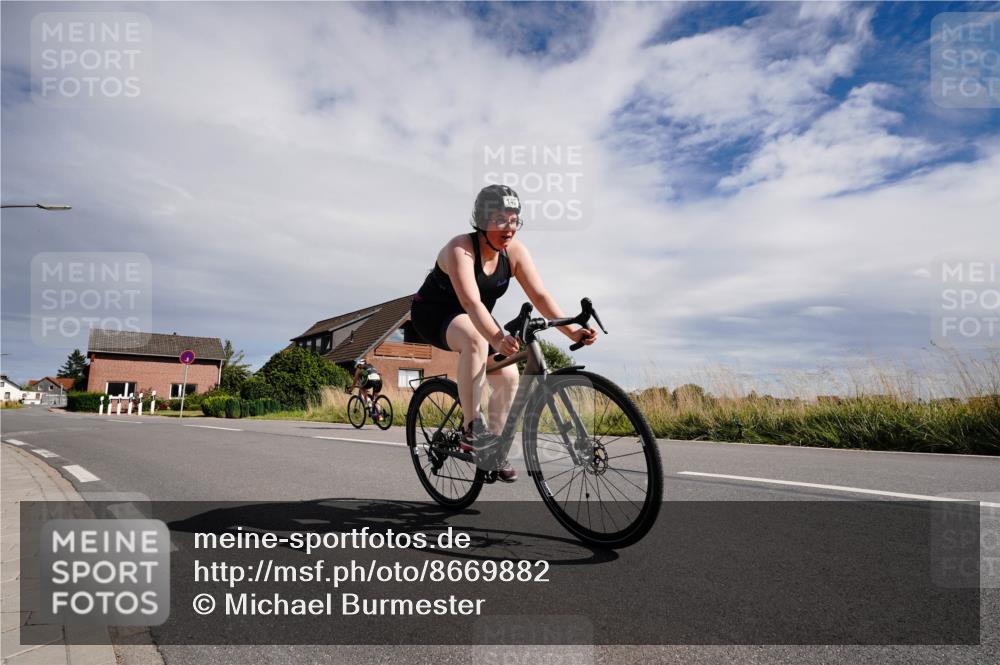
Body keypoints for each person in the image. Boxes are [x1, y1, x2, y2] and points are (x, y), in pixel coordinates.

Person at [409, 184, 597, 482]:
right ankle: (473, 429)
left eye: (513, 220)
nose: (508, 228)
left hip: (475, 318)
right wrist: (497, 338)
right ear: (482, 221)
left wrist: (572, 332)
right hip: (434, 315)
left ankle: (492, 451)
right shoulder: (460, 248)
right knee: (474, 338)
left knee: (509, 377)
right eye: (499, 220)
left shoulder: (515, 253)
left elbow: (540, 296)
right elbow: (471, 302)